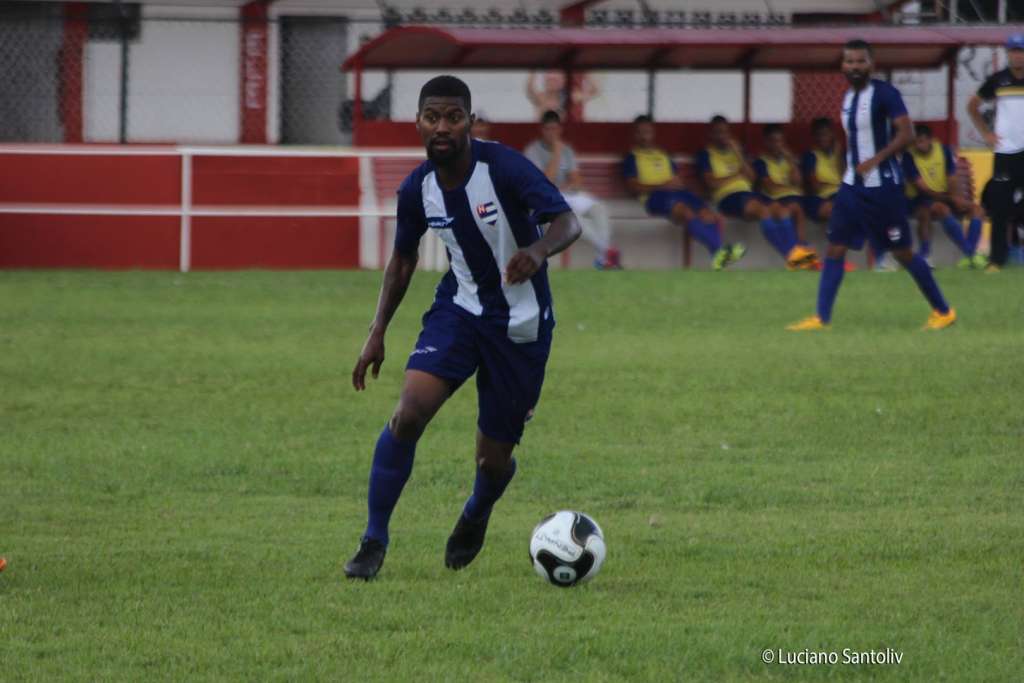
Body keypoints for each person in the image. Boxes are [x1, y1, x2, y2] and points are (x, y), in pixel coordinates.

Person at [344, 75, 581, 580]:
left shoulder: (504, 168)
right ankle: (373, 540)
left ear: (469, 122)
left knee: (492, 461)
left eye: (453, 117)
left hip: (520, 325)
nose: (442, 127)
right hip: (459, 311)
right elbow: (402, 259)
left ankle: (477, 510)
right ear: (418, 123)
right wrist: (377, 330)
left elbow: (568, 222)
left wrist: (538, 251)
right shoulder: (417, 189)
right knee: (408, 414)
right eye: (432, 117)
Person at [788, 40, 956, 331]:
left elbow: (907, 134)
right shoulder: (847, 97)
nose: (854, 67)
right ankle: (821, 318)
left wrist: (877, 159)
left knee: (902, 252)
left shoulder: (885, 93)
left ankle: (943, 311)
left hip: (883, 187)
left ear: (871, 64)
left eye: (860, 61)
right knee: (835, 247)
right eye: (849, 61)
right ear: (843, 65)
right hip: (852, 186)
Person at [621, 115, 745, 271]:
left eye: (647, 132)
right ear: (635, 134)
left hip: (679, 193)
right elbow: (634, 187)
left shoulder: (664, 155)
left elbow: (675, 179)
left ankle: (719, 257)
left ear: (653, 133)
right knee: (686, 213)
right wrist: (663, 185)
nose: (644, 136)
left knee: (710, 216)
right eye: (640, 132)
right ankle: (720, 253)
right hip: (654, 197)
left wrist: (677, 184)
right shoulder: (631, 158)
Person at [697, 116, 817, 270]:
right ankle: (794, 257)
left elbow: (751, 178)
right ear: (711, 134)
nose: (723, 136)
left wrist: (738, 153)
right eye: (718, 132)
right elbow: (712, 183)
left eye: (725, 132)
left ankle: (798, 254)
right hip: (728, 197)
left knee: (781, 210)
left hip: (748, 194)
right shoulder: (706, 154)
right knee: (764, 211)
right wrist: (736, 175)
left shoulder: (737, 152)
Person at [524, 110, 621, 269]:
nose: (552, 133)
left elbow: (576, 179)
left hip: (567, 194)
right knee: (574, 218)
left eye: (555, 129)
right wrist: (556, 153)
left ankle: (603, 257)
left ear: (560, 129)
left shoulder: (566, 149)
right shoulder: (533, 150)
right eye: (548, 129)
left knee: (599, 208)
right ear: (542, 130)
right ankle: (606, 252)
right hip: (545, 199)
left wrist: (569, 185)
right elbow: (544, 182)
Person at [967, 32, 1024, 272]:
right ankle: (996, 260)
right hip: (1005, 152)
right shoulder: (998, 80)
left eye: (1021, 51)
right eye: (1014, 51)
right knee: (999, 207)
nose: (1018, 56)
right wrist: (986, 134)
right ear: (1008, 53)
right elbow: (972, 105)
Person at [902, 123, 987, 269]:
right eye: (915, 142)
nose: (918, 146)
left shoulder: (943, 150)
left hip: (945, 196)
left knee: (977, 210)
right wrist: (951, 199)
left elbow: (951, 178)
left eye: (921, 141)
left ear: (930, 140)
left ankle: (969, 255)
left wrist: (956, 197)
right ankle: (971, 254)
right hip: (919, 199)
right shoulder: (909, 156)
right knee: (941, 209)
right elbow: (922, 188)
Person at [753, 124, 809, 243]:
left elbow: (798, 182)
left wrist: (791, 160)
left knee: (799, 206)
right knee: (796, 208)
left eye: (779, 141)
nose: (777, 145)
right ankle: (801, 245)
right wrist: (790, 187)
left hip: (794, 198)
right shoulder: (761, 161)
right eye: (773, 141)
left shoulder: (788, 160)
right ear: (766, 142)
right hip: (775, 199)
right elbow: (771, 188)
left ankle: (799, 246)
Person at [800, 117, 844, 224]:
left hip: (839, 195)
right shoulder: (810, 156)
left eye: (825, 134)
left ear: (832, 135)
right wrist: (833, 184)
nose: (822, 138)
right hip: (819, 198)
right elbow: (816, 187)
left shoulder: (839, 154)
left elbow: (845, 179)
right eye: (818, 135)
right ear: (814, 137)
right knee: (836, 208)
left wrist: (839, 155)